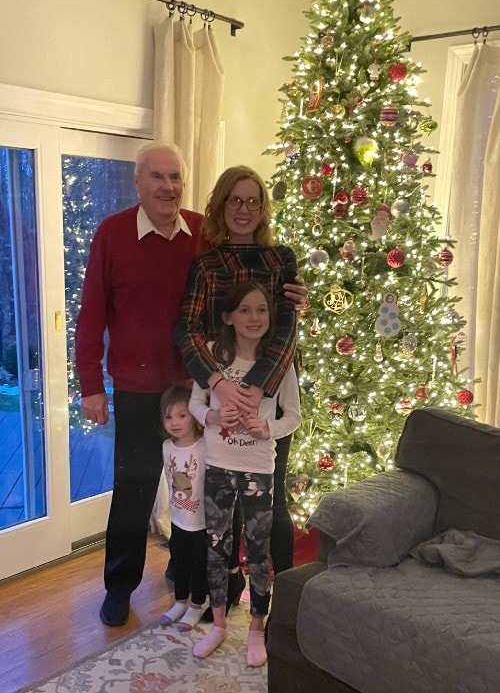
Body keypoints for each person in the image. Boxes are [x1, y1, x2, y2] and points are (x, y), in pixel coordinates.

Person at [74, 143, 305, 628]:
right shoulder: (112, 233)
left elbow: (250, 285)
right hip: (138, 387)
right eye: (157, 177)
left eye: (176, 177)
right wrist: (91, 384)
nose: (168, 187)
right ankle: (119, 586)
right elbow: (91, 313)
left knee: (202, 489)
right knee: (134, 488)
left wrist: (294, 297)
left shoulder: (205, 232)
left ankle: (194, 577)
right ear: (137, 183)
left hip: (198, 387)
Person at [175, 165, 301, 584]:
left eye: (253, 201)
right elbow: (188, 329)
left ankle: (279, 594)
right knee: (222, 497)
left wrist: (256, 387)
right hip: (221, 388)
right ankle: (224, 587)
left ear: (263, 208)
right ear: (221, 205)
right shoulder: (207, 264)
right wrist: (220, 384)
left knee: (273, 496)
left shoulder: (280, 259)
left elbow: (285, 329)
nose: (243, 209)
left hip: (271, 392)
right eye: (235, 200)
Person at [188, 281, 301, 665]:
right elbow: (194, 401)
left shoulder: (279, 367)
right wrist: (212, 416)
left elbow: (295, 417)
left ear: (272, 318)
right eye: (245, 310)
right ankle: (219, 625)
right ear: (228, 316)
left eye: (262, 310)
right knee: (216, 548)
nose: (254, 318)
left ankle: (256, 628)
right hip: (219, 466)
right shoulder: (213, 361)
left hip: (258, 471)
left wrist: (267, 429)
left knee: (257, 551)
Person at [159, 384, 208, 631]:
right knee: (179, 562)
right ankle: (180, 602)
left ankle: (197, 606)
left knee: (200, 566)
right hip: (178, 520)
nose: (174, 422)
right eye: (168, 416)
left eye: (182, 415)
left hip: (202, 523)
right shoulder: (167, 447)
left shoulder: (204, 446)